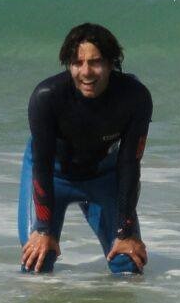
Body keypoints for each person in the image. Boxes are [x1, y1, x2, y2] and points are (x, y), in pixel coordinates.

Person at [19, 22, 153, 275]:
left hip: (103, 177)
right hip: (53, 175)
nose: (86, 72)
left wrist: (125, 232)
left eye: (96, 62)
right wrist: (44, 230)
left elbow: (129, 163)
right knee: (38, 258)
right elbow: (42, 165)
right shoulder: (47, 97)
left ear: (112, 62)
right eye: (77, 63)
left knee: (128, 262)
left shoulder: (135, 98)